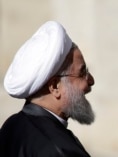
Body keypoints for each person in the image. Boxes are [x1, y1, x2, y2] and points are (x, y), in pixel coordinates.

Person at [0, 21, 95, 157]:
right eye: (82, 73)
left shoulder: (12, 125)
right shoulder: (59, 150)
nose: (91, 80)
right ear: (55, 86)